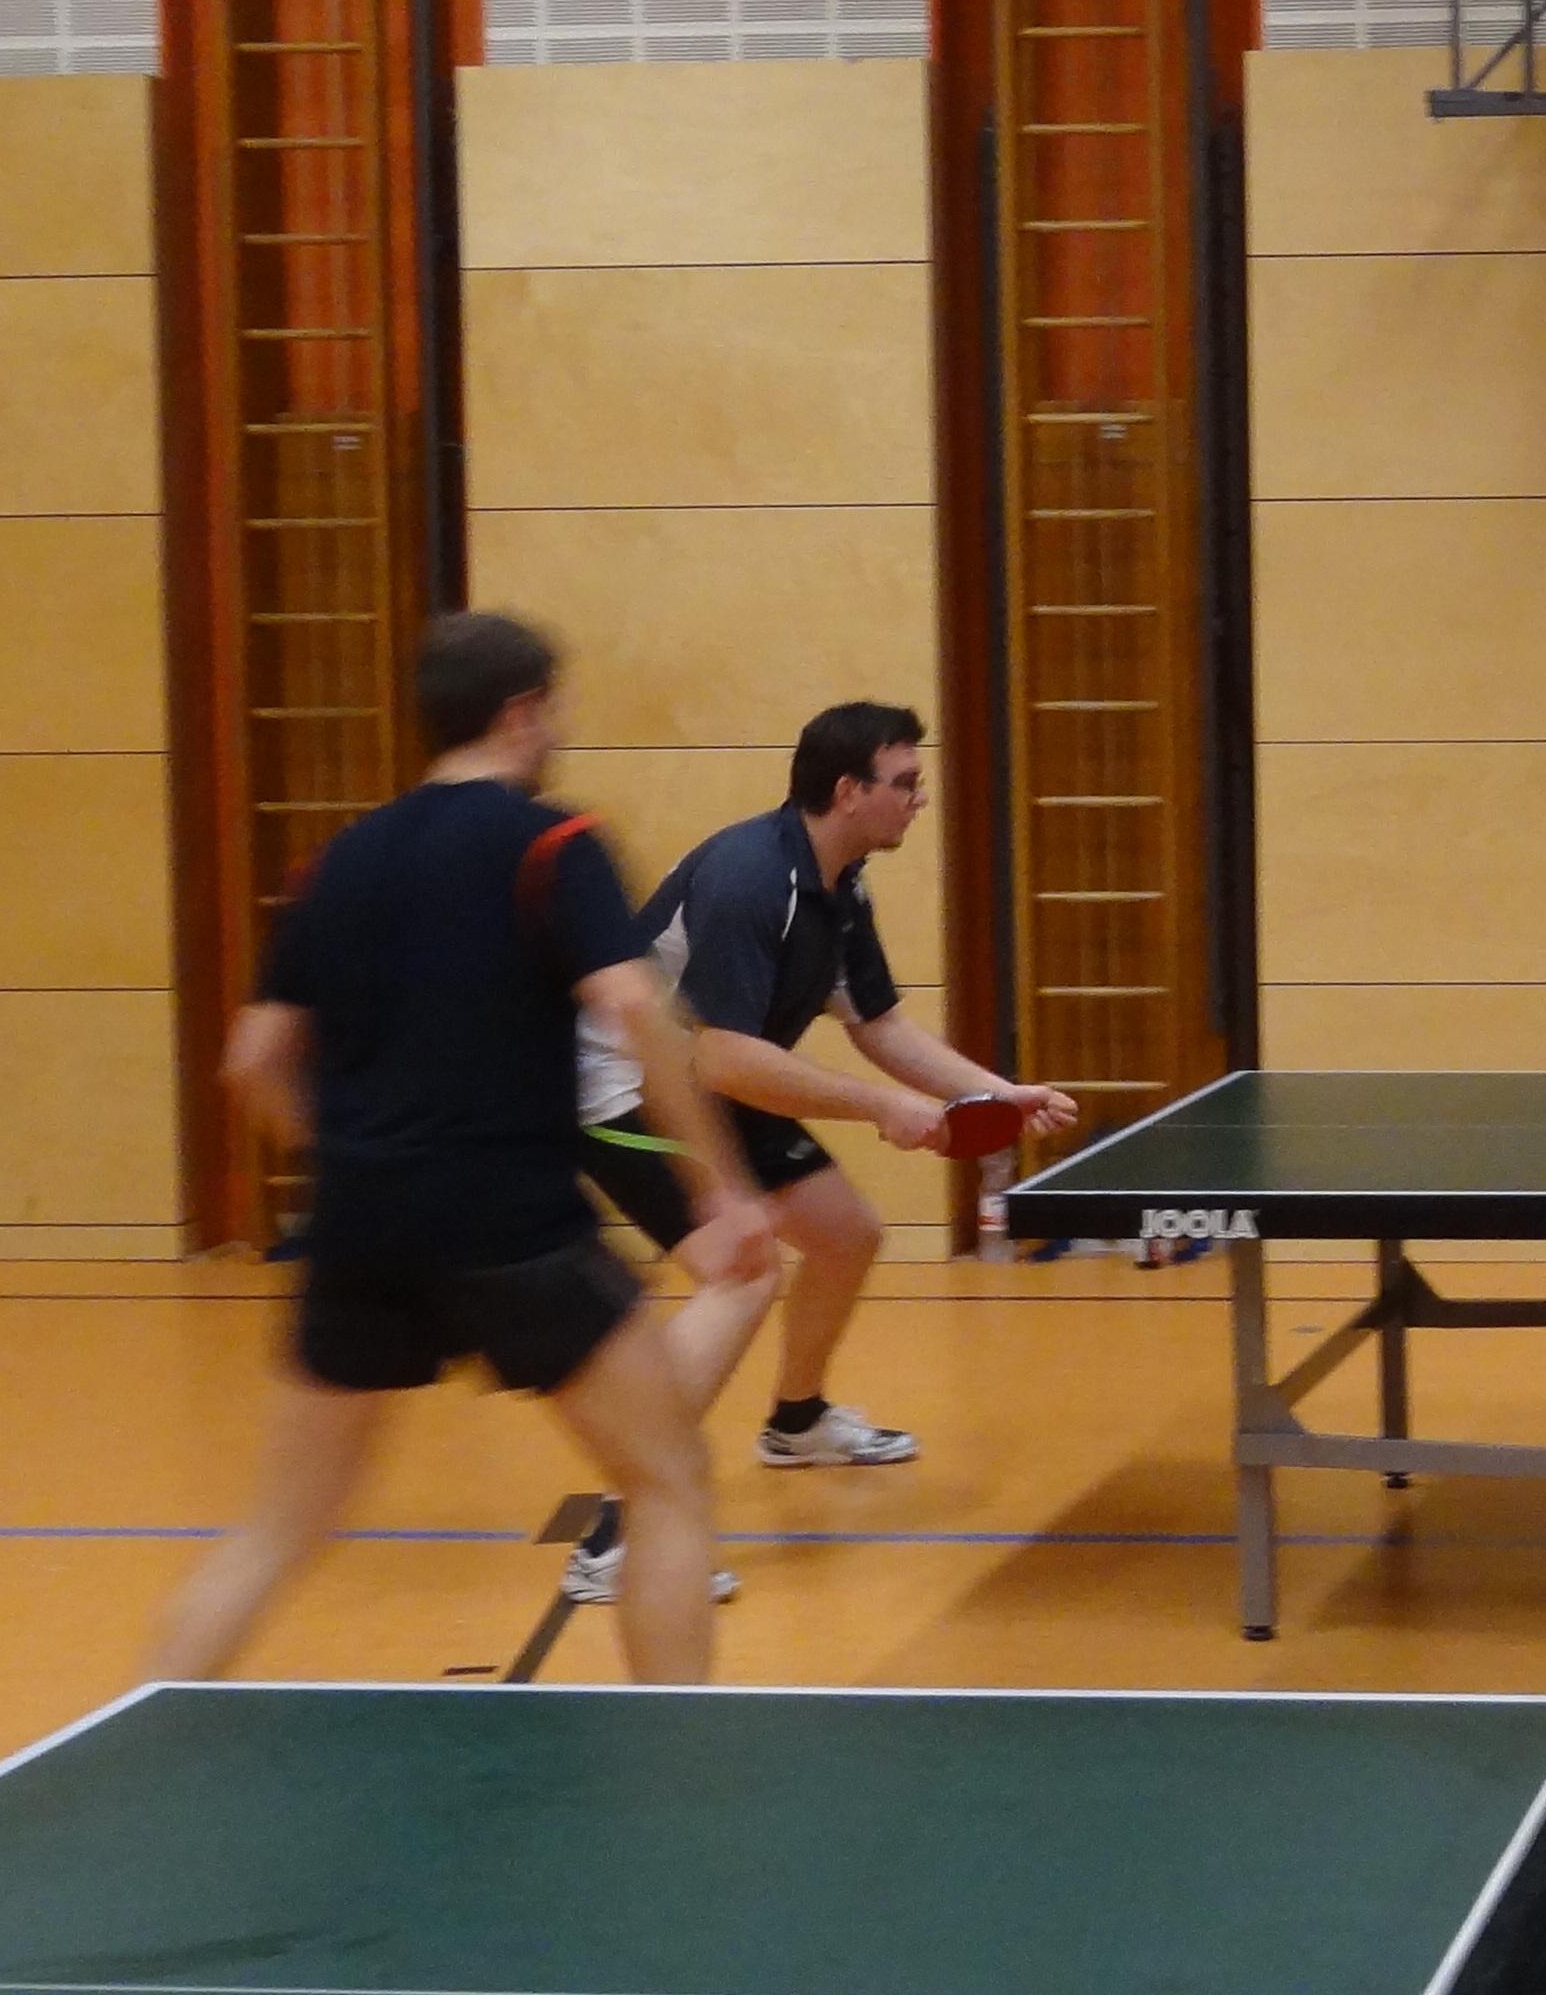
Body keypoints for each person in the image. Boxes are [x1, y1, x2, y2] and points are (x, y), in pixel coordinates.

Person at [151, 613, 771, 1684]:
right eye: (554, 708)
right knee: (668, 1481)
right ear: (521, 712)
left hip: (358, 1231)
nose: (559, 729)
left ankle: (146, 1749)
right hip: (512, 1226)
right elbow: (638, 1009)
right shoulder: (553, 845)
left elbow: (251, 1062)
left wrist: (356, 1157)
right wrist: (718, 1187)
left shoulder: (338, 861)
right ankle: (680, 1745)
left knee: (277, 1533)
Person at [556, 702, 1071, 1600]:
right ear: (849, 790)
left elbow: (879, 1025)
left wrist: (993, 1092)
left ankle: (795, 1422)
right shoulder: (752, 880)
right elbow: (723, 1055)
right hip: (622, 1092)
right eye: (904, 783)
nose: (919, 798)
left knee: (845, 1236)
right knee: (743, 1272)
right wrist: (882, 1109)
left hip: (711, 1083)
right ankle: (619, 1535)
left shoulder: (841, 884)